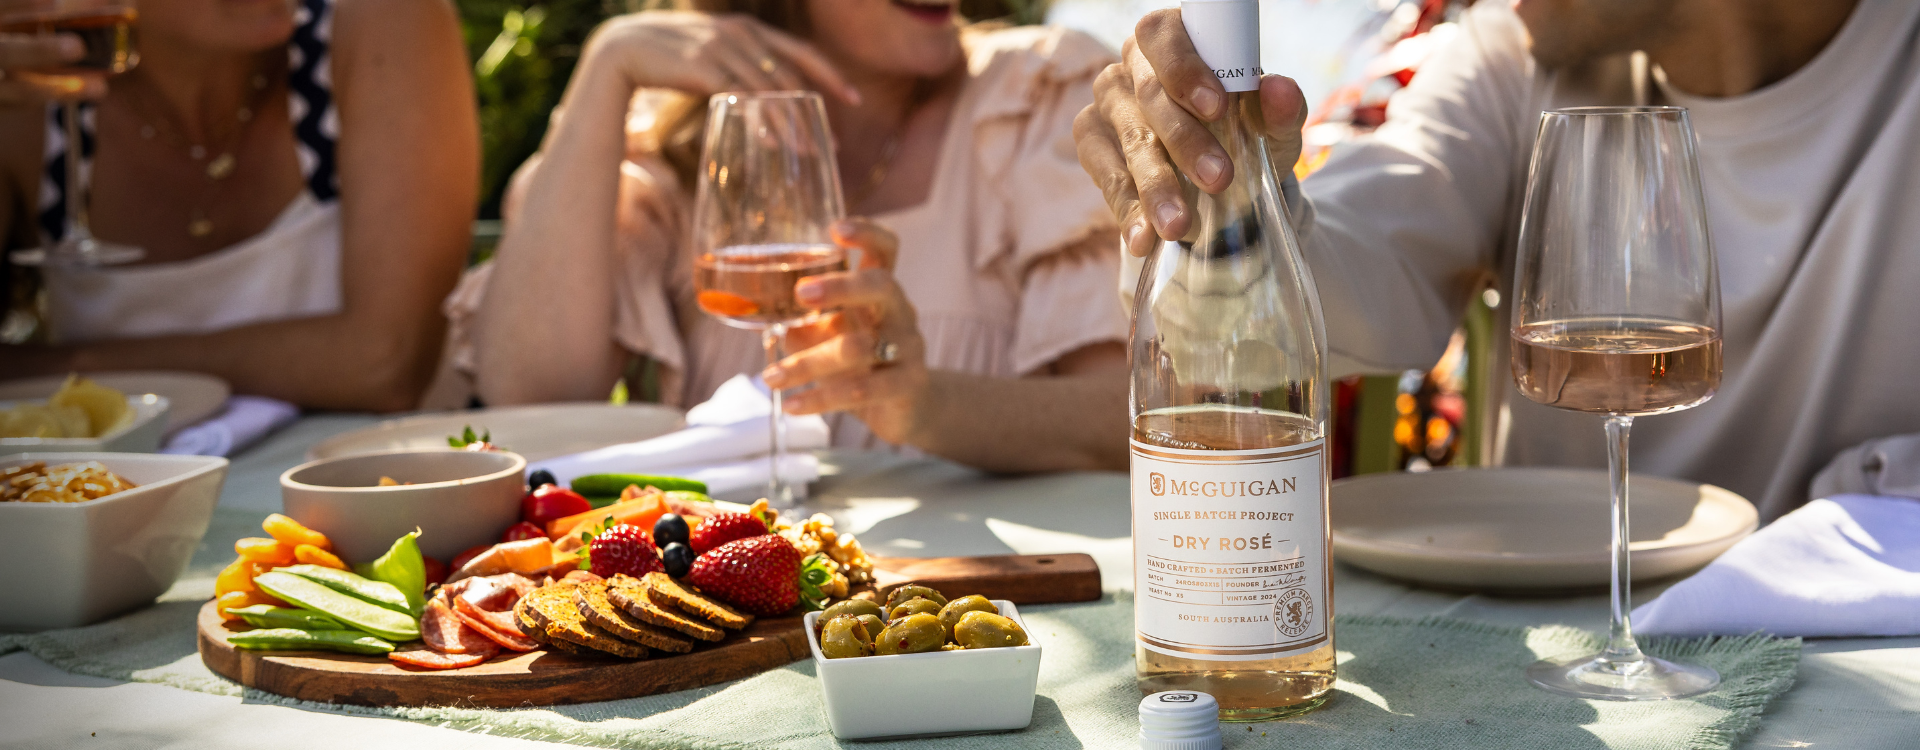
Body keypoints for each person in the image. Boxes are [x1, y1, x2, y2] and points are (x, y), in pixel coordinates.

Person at [1075, 0, 1920, 520]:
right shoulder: (1511, 60)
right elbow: (1351, 270)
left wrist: (1863, 502)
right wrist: (1220, 198)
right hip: (1559, 670)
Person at [450, 0, 1130, 473]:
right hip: (741, 613)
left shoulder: (1037, 88)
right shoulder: (677, 135)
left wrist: (923, 405)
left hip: (970, 603)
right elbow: (530, 394)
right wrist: (606, 69)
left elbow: (1125, 421)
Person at [0, 0, 477, 411]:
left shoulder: (378, 22)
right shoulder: (26, 88)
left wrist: (72, 367)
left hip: (377, 497)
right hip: (106, 502)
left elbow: (385, 365)